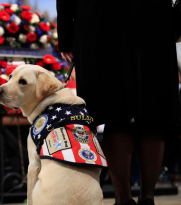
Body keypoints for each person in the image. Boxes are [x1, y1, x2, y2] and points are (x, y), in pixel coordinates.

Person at [56, 1, 180, 205]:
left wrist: (67, 35)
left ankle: (123, 201)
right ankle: (147, 198)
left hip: (99, 19)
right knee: (152, 113)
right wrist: (175, 20)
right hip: (153, 17)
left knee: (114, 113)